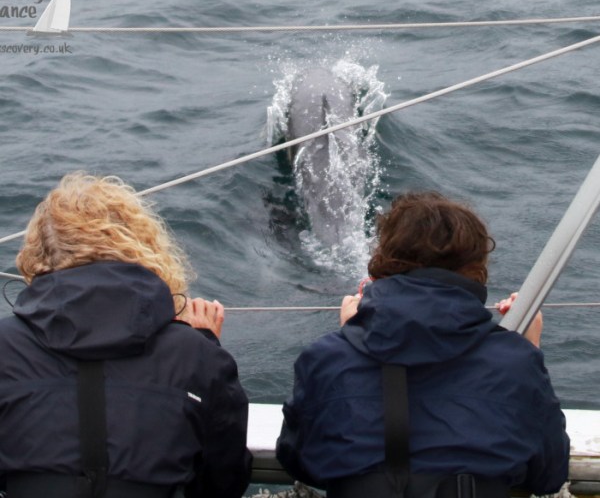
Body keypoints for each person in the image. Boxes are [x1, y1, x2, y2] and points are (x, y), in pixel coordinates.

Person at [276, 191, 569, 498]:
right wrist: (529, 348)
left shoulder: (326, 359)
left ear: (382, 262)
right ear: (477, 270)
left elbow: (297, 460)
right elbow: (548, 474)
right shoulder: (517, 362)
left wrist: (350, 340)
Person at [0, 172, 252, 498]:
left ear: (36, 256)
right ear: (143, 248)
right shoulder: (195, 355)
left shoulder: (4, 346)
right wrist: (204, 346)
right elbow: (225, 481)